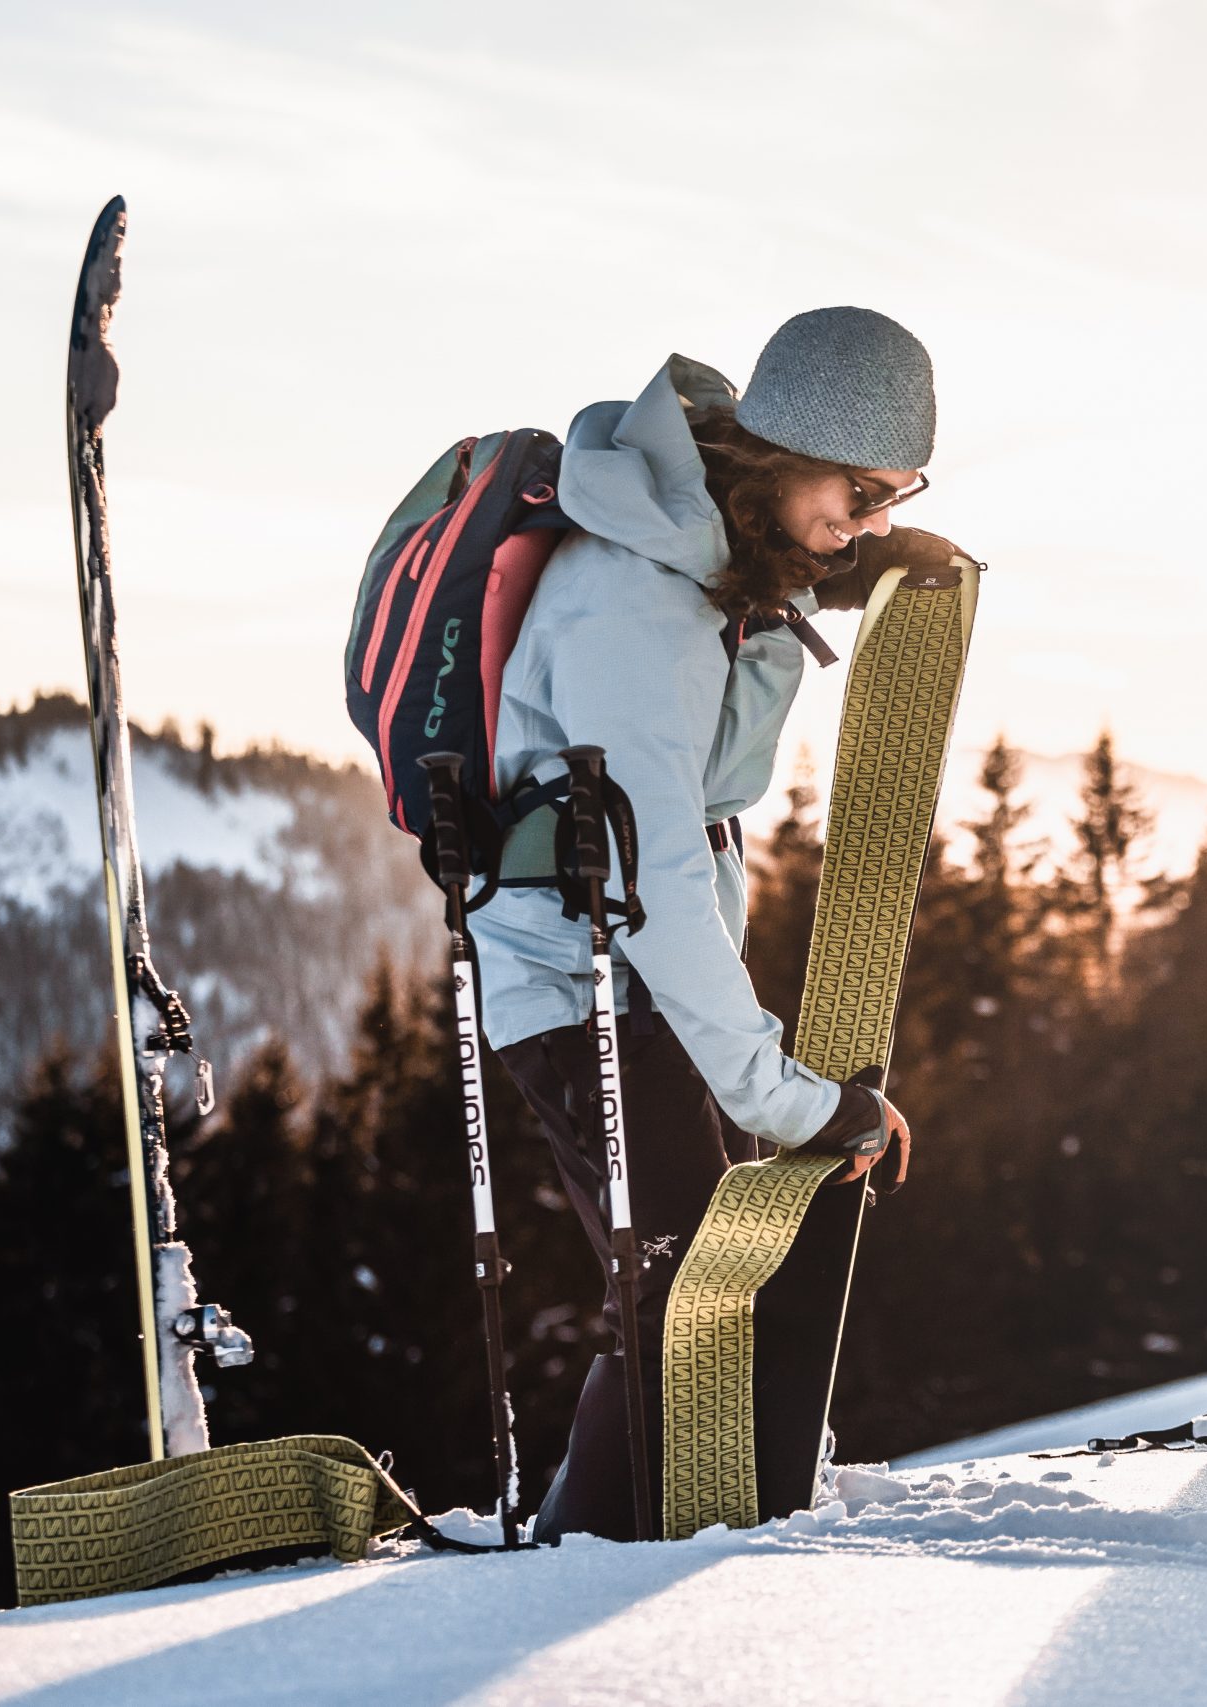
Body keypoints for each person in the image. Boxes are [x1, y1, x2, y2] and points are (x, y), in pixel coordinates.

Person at [472, 308, 967, 1538]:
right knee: (684, 1302)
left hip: (635, 984)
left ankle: (684, 1526)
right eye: (860, 492)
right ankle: (590, 1565)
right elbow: (657, 884)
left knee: (696, 1295)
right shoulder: (632, 610)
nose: (874, 522)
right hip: (578, 991)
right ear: (784, 450)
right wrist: (784, 1095)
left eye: (896, 496)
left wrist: (857, 562)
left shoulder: (702, 554)